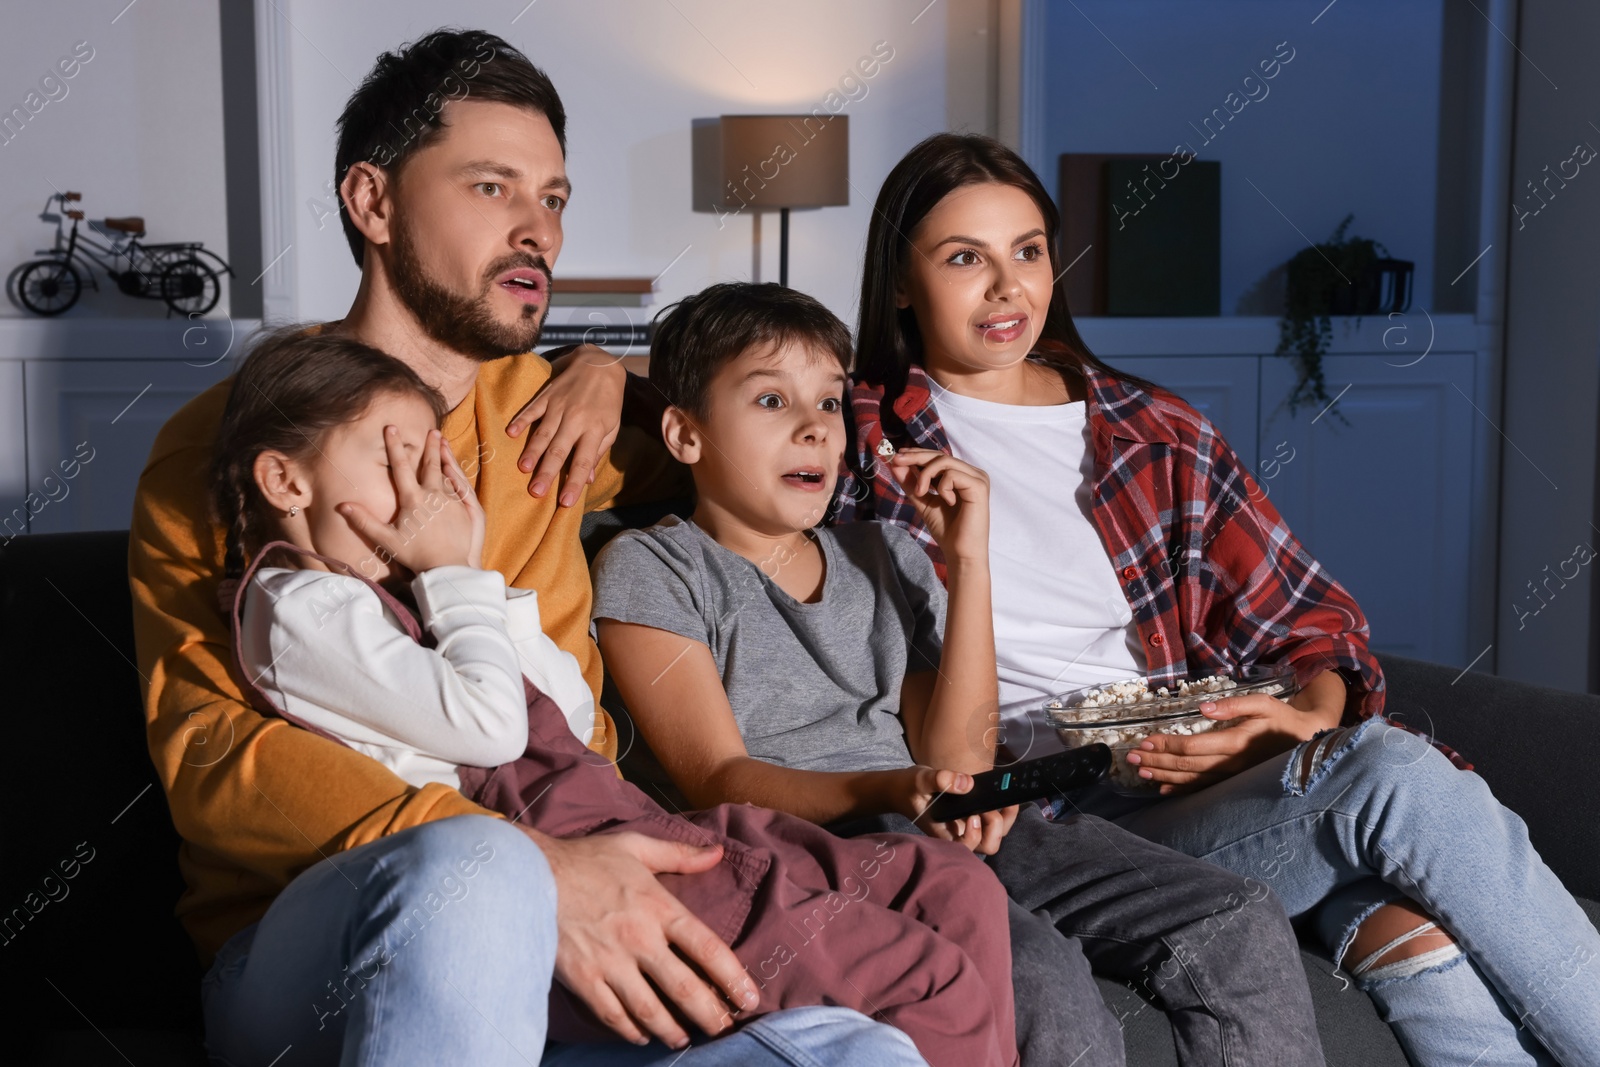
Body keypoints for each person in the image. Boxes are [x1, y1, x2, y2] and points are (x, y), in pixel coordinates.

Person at [129, 29, 932, 1066]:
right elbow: (213, 756)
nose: (537, 229)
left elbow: (742, 441)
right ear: (371, 204)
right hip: (323, 929)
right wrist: (536, 864)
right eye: (492, 187)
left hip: (601, 891)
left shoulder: (556, 417)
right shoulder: (236, 443)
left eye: (551, 197)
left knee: (860, 1052)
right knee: (476, 871)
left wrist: (611, 365)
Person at [832, 131, 1600, 1066]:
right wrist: (595, 374)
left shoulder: (1152, 429)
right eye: (964, 258)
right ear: (901, 281)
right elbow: (715, 386)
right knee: (1394, 786)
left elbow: (1318, 628)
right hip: (1040, 820)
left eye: (1028, 250)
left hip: (1191, 783)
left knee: (1402, 918)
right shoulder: (857, 436)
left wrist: (1293, 724)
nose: (1007, 288)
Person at [211, 326, 1019, 1067]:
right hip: (538, 864)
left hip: (616, 818)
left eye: (436, 459)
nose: (427, 489)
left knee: (953, 884)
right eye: (397, 460)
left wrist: (474, 572)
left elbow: (562, 712)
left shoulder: (415, 597)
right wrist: (449, 576)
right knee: (925, 976)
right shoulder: (295, 606)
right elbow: (492, 730)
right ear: (285, 479)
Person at [591, 281, 1326, 1067]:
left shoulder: (885, 554)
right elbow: (718, 778)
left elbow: (961, 753)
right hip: (821, 850)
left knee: (1236, 914)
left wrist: (968, 558)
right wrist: (894, 789)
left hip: (948, 827)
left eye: (830, 404)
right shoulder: (654, 566)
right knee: (1037, 970)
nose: (813, 428)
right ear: (685, 433)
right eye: (771, 401)